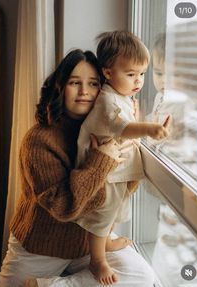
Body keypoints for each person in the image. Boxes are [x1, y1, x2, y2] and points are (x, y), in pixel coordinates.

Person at [0, 49, 155, 287]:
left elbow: (125, 188)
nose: (85, 92)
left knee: (142, 275)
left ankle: (48, 285)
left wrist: (130, 135)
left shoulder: (105, 128)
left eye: (93, 83)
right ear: (60, 87)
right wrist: (99, 161)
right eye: (74, 83)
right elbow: (65, 208)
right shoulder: (39, 140)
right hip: (43, 245)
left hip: (89, 243)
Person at [75, 31, 171, 285]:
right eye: (131, 74)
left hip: (115, 170)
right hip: (102, 172)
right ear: (108, 73)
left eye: (142, 74)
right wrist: (149, 128)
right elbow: (122, 128)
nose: (139, 80)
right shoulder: (107, 100)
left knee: (114, 211)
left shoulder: (122, 96)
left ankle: (106, 241)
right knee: (102, 215)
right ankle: (97, 260)